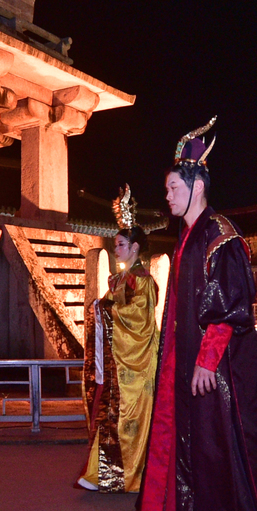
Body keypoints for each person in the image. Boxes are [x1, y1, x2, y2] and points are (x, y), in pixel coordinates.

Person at [138, 119, 257, 511]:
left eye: (172, 187)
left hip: (222, 368)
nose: (166, 196)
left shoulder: (221, 236)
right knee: (196, 448)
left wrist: (206, 362)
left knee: (242, 440)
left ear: (197, 184)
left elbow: (230, 308)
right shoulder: (187, 238)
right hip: (188, 366)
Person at [79, 185, 159, 493]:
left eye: (121, 244)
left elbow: (139, 322)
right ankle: (103, 475)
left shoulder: (144, 283)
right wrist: (103, 307)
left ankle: (129, 477)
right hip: (118, 363)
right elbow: (110, 310)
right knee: (112, 415)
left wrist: (105, 308)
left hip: (137, 366)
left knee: (129, 419)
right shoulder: (120, 280)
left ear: (136, 248)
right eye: (116, 244)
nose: (117, 249)